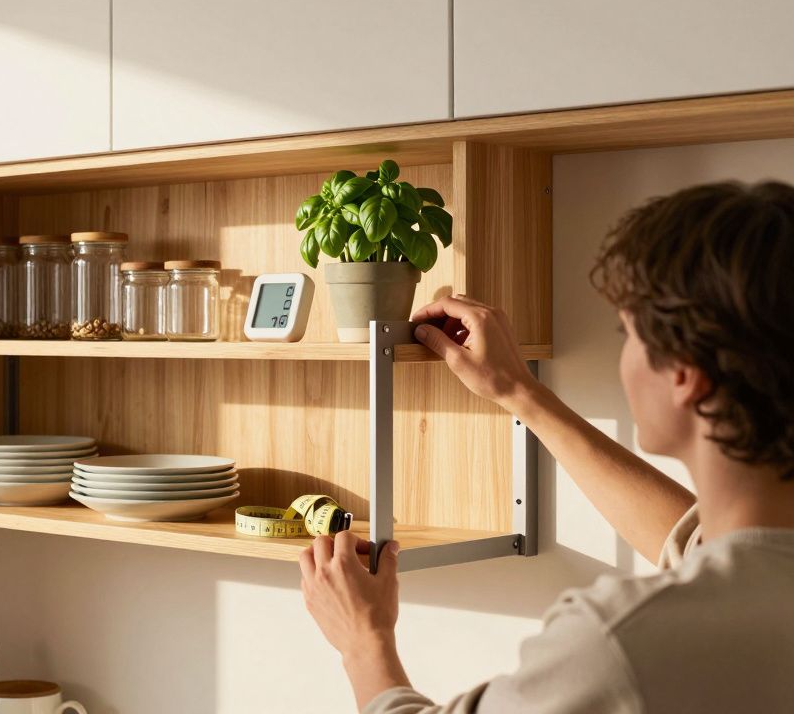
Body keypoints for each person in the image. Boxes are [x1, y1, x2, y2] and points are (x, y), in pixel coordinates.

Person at [300, 181, 794, 713]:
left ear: (684, 374)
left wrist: (363, 640)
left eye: (627, 334)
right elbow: (706, 546)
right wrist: (520, 393)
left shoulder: (621, 645)